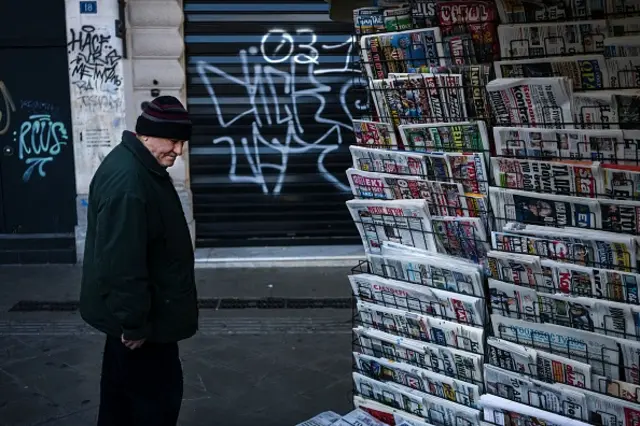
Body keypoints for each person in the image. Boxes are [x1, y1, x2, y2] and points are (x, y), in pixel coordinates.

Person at [79, 96, 199, 426]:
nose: (178, 150)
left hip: (144, 320)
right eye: (173, 140)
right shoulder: (130, 182)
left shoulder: (136, 166)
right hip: (143, 328)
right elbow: (121, 263)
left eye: (182, 141)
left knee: (121, 406)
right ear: (147, 135)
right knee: (151, 407)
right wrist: (134, 323)